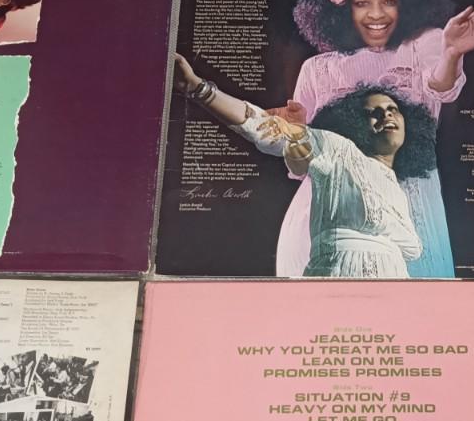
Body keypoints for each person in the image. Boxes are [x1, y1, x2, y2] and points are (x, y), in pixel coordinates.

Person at [274, 0, 474, 278]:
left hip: (410, 205)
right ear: (341, 11)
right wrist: (294, 136)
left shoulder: (423, 44)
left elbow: (442, 87)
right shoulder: (317, 68)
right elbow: (301, 167)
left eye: (388, 2)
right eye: (362, 4)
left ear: (407, 6)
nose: (376, 14)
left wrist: (452, 53)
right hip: (325, 216)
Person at [177, 55, 436, 278]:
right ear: (355, 124)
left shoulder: (397, 189)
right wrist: (199, 88)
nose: (387, 115)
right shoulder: (337, 149)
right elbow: (263, 126)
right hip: (339, 280)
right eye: (374, 112)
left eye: (393, 109)